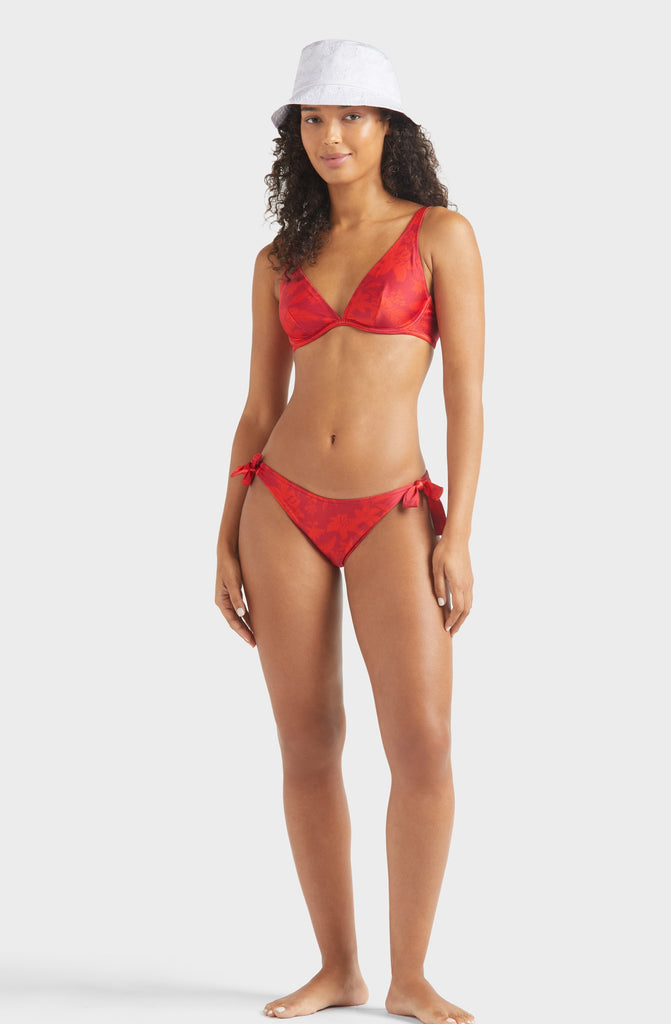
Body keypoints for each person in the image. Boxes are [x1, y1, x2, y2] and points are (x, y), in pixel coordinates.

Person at [215, 38, 484, 1024]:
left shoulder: (440, 235)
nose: (331, 136)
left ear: (387, 127)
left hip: (393, 510)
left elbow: (465, 399)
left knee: (422, 743)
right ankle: (339, 969)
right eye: (314, 119)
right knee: (307, 742)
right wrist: (223, 536)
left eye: (351, 117)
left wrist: (457, 534)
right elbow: (257, 408)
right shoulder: (278, 258)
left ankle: (411, 976)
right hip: (278, 505)